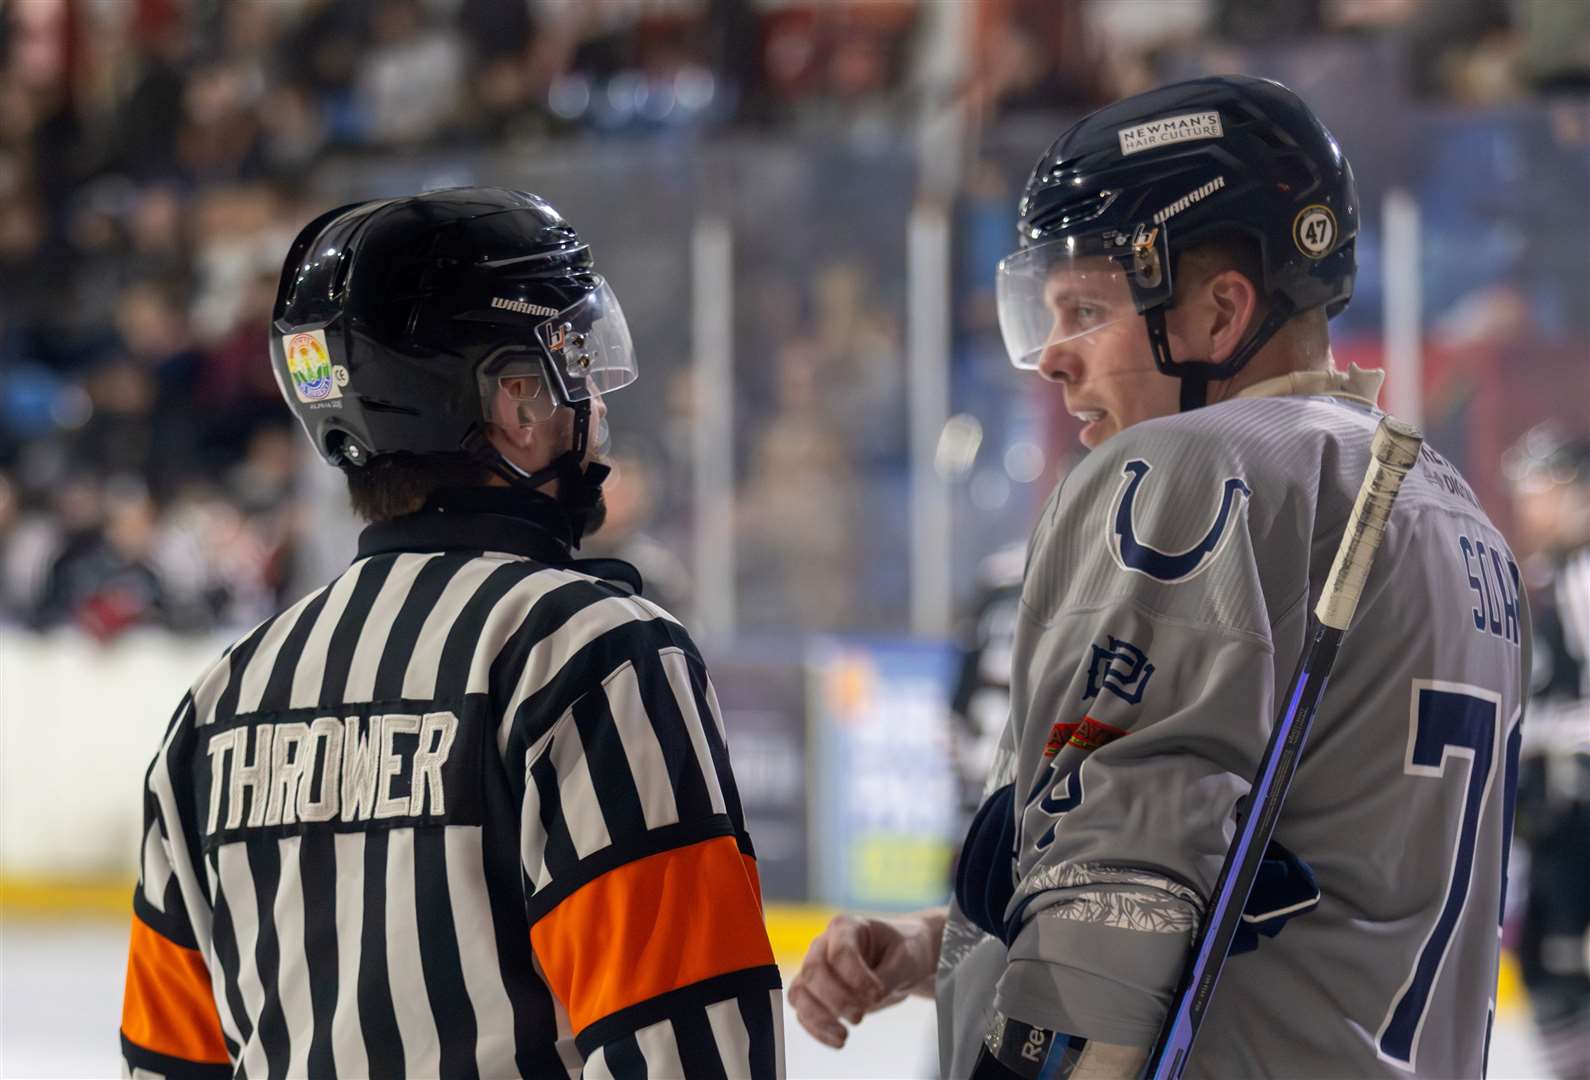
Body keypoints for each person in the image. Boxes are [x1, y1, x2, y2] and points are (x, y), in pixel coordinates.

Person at [791, 75, 1528, 1078]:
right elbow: (1307, 881)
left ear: (1223, 313)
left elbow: (1117, 896)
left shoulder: (1196, 468)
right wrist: (945, 945)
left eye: (1084, 308)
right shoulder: (1455, 517)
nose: (1050, 360)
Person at [119, 188, 783, 1079]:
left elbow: (166, 1064)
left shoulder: (218, 705)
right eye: (571, 367)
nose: (597, 401)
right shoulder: (590, 655)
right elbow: (695, 1053)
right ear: (516, 405)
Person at [1505, 425, 1590, 1079]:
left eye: (1536, 490)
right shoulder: (1555, 573)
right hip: (1559, 820)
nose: (1526, 507)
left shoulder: (1583, 575)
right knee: (1547, 962)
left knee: (1559, 966)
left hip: (1578, 819)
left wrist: (1531, 729)